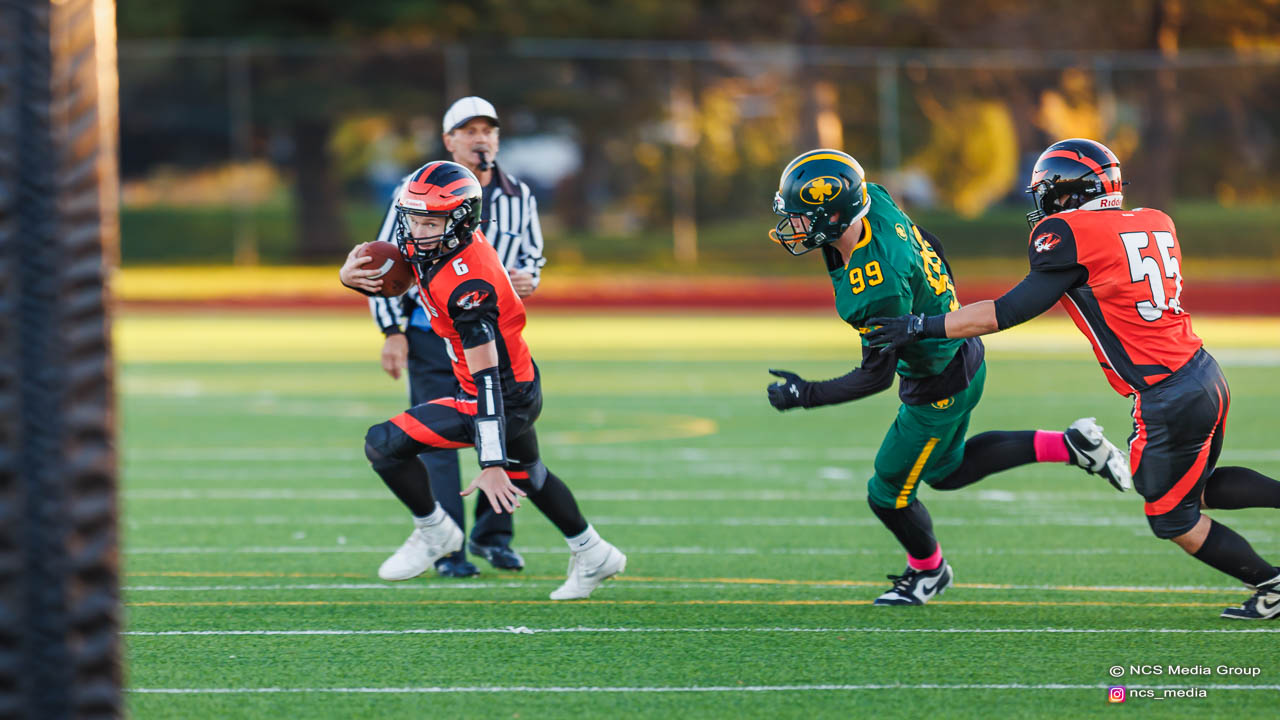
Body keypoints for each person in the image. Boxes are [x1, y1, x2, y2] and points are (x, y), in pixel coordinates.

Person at [865, 138, 1280, 620]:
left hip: (1168, 392)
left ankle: (1271, 584)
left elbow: (1007, 311)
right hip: (1203, 372)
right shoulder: (1154, 219)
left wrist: (921, 325)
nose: (1046, 203)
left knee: (1170, 516)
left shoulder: (1070, 233)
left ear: (1072, 193)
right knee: (1193, 487)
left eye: (1051, 192)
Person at [766, 148, 1131, 606]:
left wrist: (805, 394)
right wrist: (943, 308)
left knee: (887, 493)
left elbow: (873, 378)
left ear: (834, 216)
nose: (793, 226)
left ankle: (929, 571)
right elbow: (932, 243)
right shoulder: (874, 200)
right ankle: (1071, 446)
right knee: (946, 470)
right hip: (961, 353)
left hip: (939, 383)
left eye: (801, 216)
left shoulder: (875, 284)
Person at [340, 160, 625, 599]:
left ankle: (435, 531)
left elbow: (487, 377)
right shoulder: (443, 244)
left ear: (458, 222)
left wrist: (490, 462)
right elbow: (402, 276)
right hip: (519, 381)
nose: (417, 231)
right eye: (414, 219)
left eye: (430, 222)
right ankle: (593, 553)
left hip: (497, 395)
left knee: (383, 445)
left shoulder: (468, 284)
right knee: (531, 475)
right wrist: (351, 279)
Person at [368, 96, 546, 577]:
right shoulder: (413, 191)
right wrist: (392, 330)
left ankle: (494, 535)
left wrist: (528, 277)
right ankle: (447, 548)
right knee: (435, 442)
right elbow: (386, 260)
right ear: (449, 141)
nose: (480, 138)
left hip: (491, 337)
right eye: (469, 131)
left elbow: (533, 256)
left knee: (507, 432)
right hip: (431, 332)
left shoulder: (520, 195)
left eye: (488, 129)